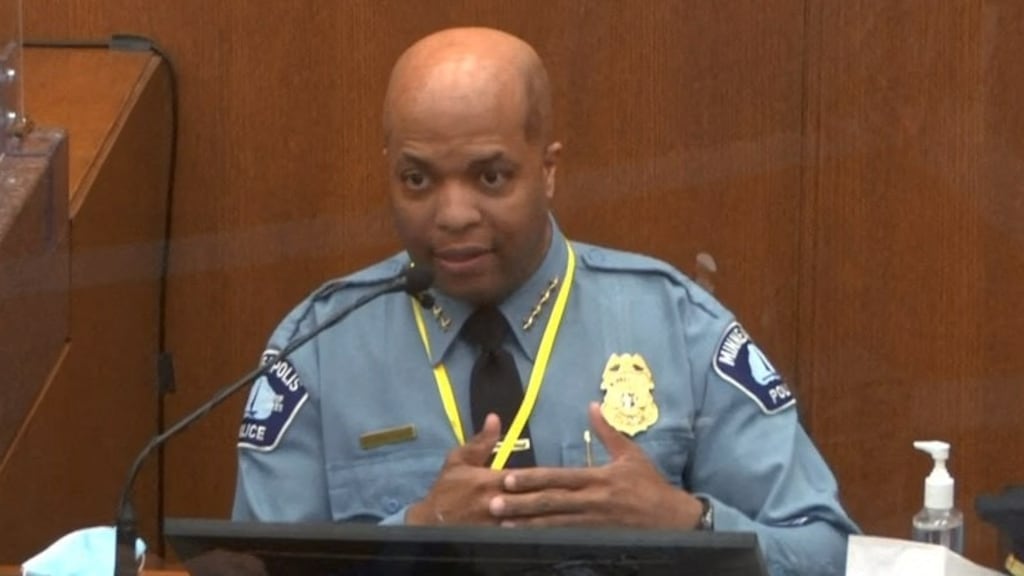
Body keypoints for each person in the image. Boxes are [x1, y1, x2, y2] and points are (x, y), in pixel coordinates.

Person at [232, 26, 859, 575]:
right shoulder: (319, 349)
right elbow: (251, 571)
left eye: (490, 177)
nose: (452, 215)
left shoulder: (676, 326)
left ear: (549, 169)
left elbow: (830, 553)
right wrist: (419, 532)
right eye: (417, 179)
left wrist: (687, 523)